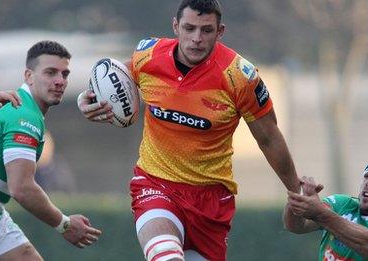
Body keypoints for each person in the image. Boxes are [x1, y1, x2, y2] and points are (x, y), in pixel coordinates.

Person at [78, 0, 300, 260]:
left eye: (206, 30)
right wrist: (88, 98)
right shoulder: (147, 57)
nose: (196, 38)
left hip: (211, 200)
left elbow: (269, 138)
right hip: (155, 184)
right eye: (189, 28)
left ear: (220, 32)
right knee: (165, 256)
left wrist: (296, 192)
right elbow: (112, 82)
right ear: (176, 26)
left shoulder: (240, 78)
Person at [0, 40, 101, 261]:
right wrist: (64, 224)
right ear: (29, 76)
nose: (60, 81)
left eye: (65, 74)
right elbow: (21, 188)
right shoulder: (25, 116)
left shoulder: (25, 110)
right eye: (50, 73)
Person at [284, 155, 368, 260]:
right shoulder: (342, 204)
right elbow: (296, 226)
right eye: (367, 175)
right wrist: (297, 197)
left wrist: (321, 214)